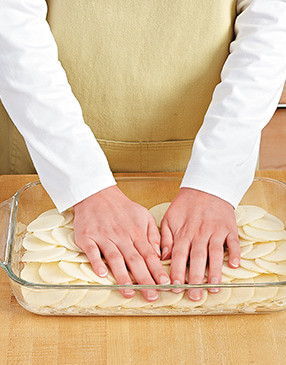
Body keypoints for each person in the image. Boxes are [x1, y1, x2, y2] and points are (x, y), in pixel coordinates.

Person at [0, 0, 285, 302]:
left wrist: (215, 180)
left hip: (211, 147)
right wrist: (84, 183)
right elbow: (11, 20)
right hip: (50, 149)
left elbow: (271, 27)